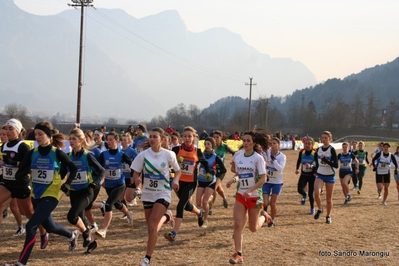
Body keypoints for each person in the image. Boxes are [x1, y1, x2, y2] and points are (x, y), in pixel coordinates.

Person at [12, 121, 80, 266]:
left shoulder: (57, 153)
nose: (37, 137)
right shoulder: (32, 153)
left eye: (40, 134)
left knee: (31, 226)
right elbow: (18, 175)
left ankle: (21, 262)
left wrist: (67, 185)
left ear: (49, 136)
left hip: (52, 195)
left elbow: (73, 168)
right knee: (50, 227)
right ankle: (71, 234)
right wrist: (28, 168)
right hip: (36, 195)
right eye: (35, 134)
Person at [130, 127, 181, 266]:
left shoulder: (169, 155)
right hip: (147, 194)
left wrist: (175, 180)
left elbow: (178, 171)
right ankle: (167, 216)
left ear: (162, 139)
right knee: (151, 228)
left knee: (153, 223)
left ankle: (147, 258)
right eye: (150, 136)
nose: (151, 139)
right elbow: (135, 173)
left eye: (155, 137)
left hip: (163, 192)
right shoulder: (143, 155)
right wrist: (137, 180)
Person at [0, 119, 49, 247]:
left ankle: (44, 232)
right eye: (7, 128)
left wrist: (14, 163)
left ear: (18, 131)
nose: (8, 131)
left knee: (28, 213)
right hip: (7, 183)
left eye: (11, 129)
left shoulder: (22, 146)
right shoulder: (4, 145)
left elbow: (30, 166)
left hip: (21, 184)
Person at [225, 130, 270, 264]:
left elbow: (263, 179)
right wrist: (232, 180)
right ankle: (239, 254)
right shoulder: (238, 155)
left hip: (254, 195)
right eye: (244, 140)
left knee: (252, 228)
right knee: (238, 224)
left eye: (248, 140)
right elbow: (239, 174)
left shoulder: (258, 158)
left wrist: (250, 190)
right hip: (240, 195)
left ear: (254, 143)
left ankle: (264, 216)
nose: (245, 143)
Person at [164, 126, 212, 242]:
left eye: (189, 136)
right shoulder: (176, 150)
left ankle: (174, 233)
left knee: (180, 205)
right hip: (178, 182)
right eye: (185, 136)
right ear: (181, 137)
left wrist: (210, 172)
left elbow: (205, 163)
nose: (187, 138)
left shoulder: (197, 151)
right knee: (186, 205)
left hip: (191, 183)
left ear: (194, 138)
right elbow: (166, 160)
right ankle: (200, 213)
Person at [60, 128, 105, 251]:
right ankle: (92, 242)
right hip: (74, 192)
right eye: (70, 139)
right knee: (81, 219)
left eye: (74, 139)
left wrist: (95, 183)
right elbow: (61, 174)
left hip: (86, 191)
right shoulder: (67, 157)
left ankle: (86, 233)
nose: (71, 141)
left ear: (81, 140)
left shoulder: (87, 156)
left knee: (72, 216)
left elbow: (101, 170)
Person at [96, 132, 133, 238]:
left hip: (119, 183)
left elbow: (133, 164)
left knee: (108, 204)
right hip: (108, 184)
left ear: (117, 141)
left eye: (111, 139)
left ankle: (104, 230)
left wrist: (132, 172)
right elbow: (97, 167)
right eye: (107, 140)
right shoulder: (104, 155)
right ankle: (128, 214)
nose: (109, 142)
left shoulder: (122, 154)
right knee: (117, 204)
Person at [0, 125, 25, 236]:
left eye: (4, 134)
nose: (2, 136)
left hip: (18, 183)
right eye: (0, 134)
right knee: (7, 207)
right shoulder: (3, 146)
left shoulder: (21, 146)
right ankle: (21, 227)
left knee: (25, 211)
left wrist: (10, 162)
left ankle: (42, 229)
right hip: (5, 181)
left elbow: (26, 165)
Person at [196, 137, 226, 227]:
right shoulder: (201, 155)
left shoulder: (215, 157)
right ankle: (209, 201)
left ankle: (205, 220)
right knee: (198, 203)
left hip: (210, 182)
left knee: (204, 202)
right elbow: (195, 164)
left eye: (209, 144)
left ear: (212, 146)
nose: (206, 146)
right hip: (201, 180)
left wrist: (214, 172)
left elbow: (223, 169)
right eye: (205, 144)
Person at [313, 131, 338, 224]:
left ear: (330, 139)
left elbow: (336, 165)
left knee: (328, 199)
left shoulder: (331, 150)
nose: (323, 139)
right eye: (322, 138)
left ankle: (328, 215)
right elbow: (316, 162)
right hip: (320, 174)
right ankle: (320, 208)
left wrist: (325, 160)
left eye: (326, 138)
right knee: (316, 193)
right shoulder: (318, 150)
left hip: (330, 175)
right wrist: (314, 171)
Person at [262, 137, 286, 227]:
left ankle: (271, 220)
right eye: (271, 143)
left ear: (279, 145)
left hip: (277, 182)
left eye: (275, 143)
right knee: (265, 202)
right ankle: (264, 214)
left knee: (272, 203)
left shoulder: (282, 156)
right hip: (267, 181)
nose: (272, 145)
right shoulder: (266, 153)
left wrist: (274, 160)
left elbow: (280, 169)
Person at [210, 130, 234, 213]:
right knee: (218, 188)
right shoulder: (210, 146)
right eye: (214, 137)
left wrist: (234, 161)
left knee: (213, 187)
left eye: (217, 137)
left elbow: (234, 153)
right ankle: (224, 198)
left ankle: (210, 207)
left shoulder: (225, 147)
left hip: (221, 170)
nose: (216, 139)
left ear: (221, 138)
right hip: (212, 170)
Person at [295, 137, 317, 214]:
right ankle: (304, 195)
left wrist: (311, 167)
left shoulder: (315, 153)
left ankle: (312, 208)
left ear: (312, 145)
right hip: (304, 174)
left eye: (309, 144)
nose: (307, 145)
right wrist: (297, 169)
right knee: (299, 189)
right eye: (306, 143)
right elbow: (299, 160)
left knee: (311, 193)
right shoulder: (302, 152)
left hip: (312, 175)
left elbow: (316, 163)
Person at [120, 133, 139, 210]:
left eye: (125, 140)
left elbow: (139, 160)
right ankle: (125, 213)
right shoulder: (120, 151)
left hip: (130, 176)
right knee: (120, 196)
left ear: (129, 141)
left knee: (129, 198)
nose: (123, 141)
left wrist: (132, 169)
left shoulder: (131, 151)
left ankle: (137, 192)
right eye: (122, 140)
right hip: (122, 176)